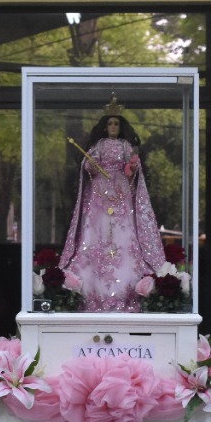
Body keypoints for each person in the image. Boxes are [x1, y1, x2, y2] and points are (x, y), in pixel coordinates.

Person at [58, 98, 164, 312]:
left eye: (116, 124)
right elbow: (87, 165)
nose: (113, 127)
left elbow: (134, 168)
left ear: (121, 126)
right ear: (105, 127)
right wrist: (91, 165)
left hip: (121, 191)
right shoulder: (98, 146)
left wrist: (131, 167)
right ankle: (92, 289)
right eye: (110, 124)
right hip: (98, 193)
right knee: (97, 229)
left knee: (123, 230)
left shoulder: (126, 146)